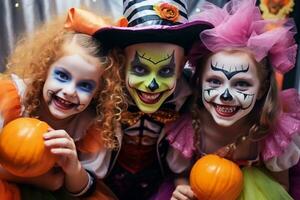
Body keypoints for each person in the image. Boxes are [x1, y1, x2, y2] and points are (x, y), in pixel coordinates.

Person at [68, 0, 211, 199]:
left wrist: (182, 187)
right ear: (123, 60)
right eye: (140, 69)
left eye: (166, 71)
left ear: (181, 68)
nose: (151, 85)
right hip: (102, 183)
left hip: (157, 185)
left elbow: (181, 168)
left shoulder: (186, 99)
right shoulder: (101, 92)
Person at [171, 0, 299, 199]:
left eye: (241, 84)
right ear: (199, 82)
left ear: (262, 88)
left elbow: (280, 188)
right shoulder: (190, 127)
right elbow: (180, 174)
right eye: (214, 81)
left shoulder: (270, 132)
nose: (225, 96)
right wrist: (183, 190)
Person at [0, 10, 125, 199]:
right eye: (63, 76)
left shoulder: (92, 128)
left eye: (85, 85)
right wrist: (45, 180)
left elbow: (81, 192)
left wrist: (73, 169)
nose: (69, 91)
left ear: (100, 91)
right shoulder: (13, 98)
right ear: (45, 69)